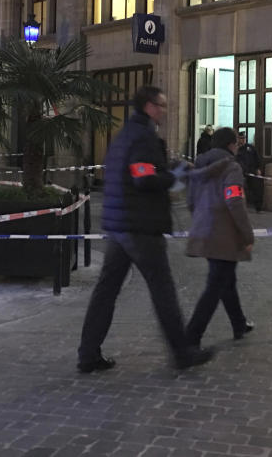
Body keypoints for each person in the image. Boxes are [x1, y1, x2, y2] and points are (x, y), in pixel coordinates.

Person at [77, 86, 213, 373]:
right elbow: (143, 178)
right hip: (139, 226)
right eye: (161, 105)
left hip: (120, 226)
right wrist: (173, 176)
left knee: (106, 290)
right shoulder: (143, 136)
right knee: (162, 289)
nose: (165, 110)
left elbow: (137, 172)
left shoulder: (125, 135)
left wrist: (166, 168)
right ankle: (182, 352)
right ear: (149, 106)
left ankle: (88, 353)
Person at [185, 127, 255, 347]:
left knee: (226, 280)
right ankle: (191, 336)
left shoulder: (200, 164)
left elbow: (190, 200)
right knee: (215, 286)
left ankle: (239, 323)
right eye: (236, 143)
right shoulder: (232, 167)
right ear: (231, 145)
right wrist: (247, 234)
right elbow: (234, 200)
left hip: (204, 229)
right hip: (223, 234)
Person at [235, 131, 263, 212]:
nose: (242, 140)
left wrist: (258, 168)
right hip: (241, 172)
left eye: (243, 138)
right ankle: (240, 206)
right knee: (240, 189)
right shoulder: (236, 149)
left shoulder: (250, 148)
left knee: (256, 188)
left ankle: (258, 207)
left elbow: (256, 158)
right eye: (241, 138)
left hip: (251, 171)